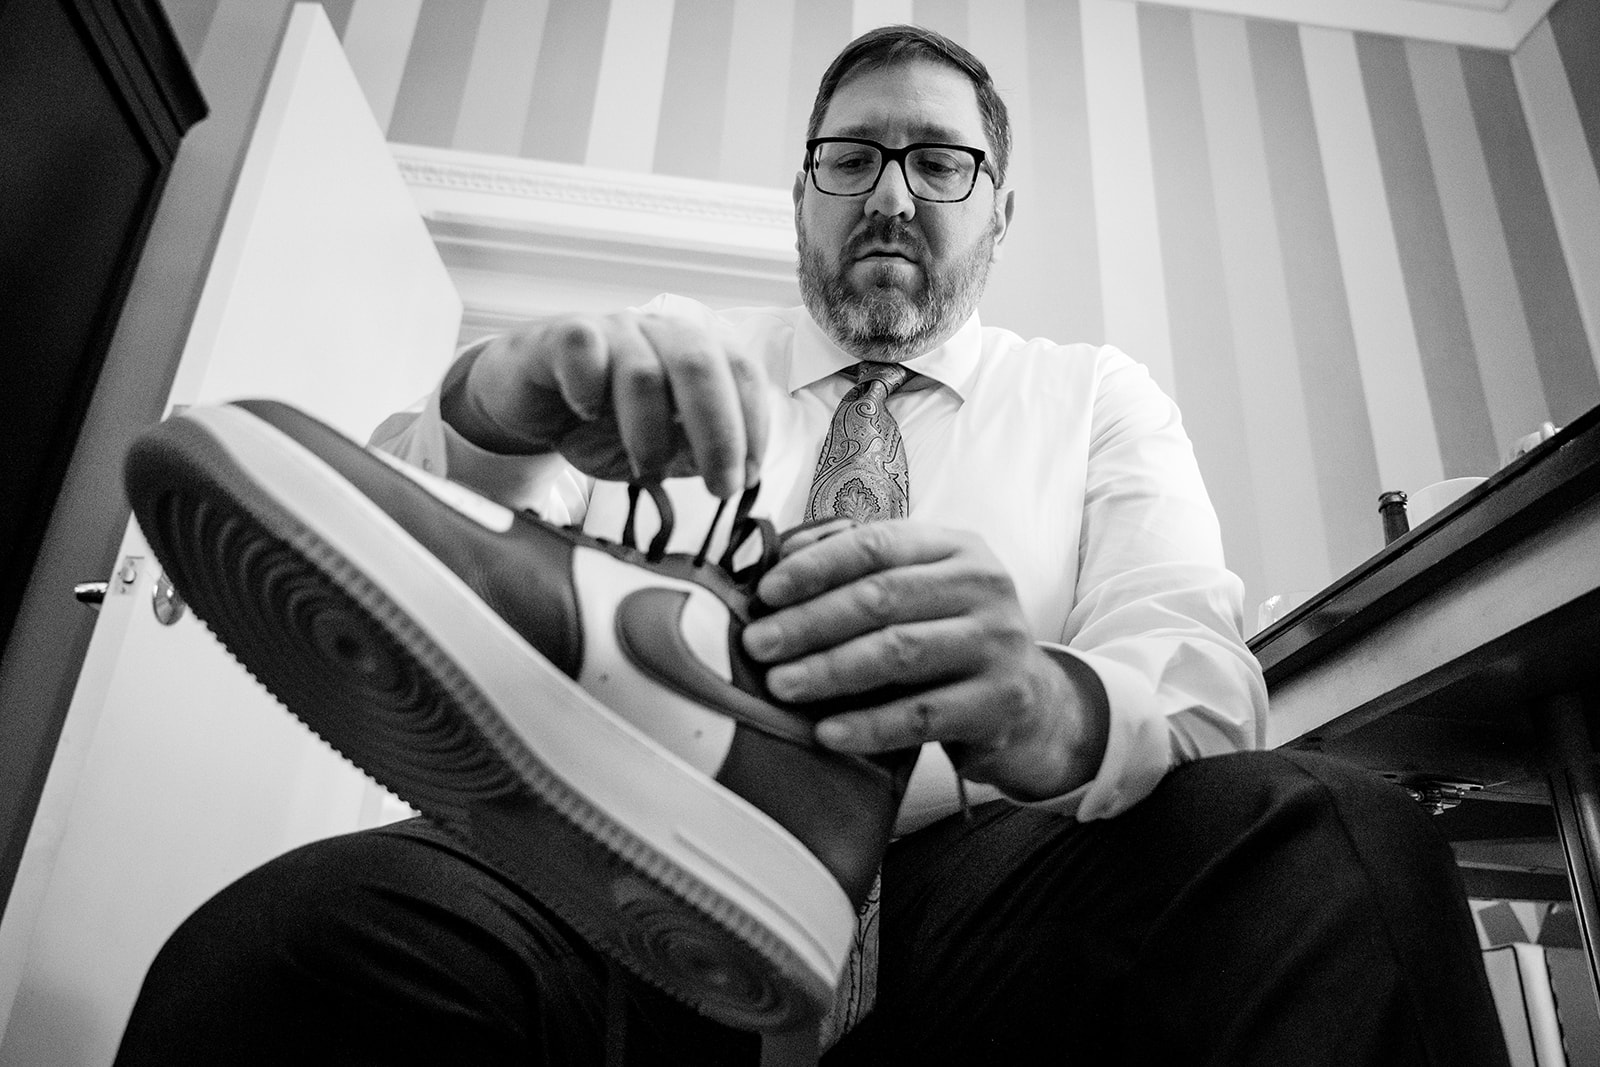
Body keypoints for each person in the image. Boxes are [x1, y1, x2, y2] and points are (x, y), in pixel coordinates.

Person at [117, 24, 1508, 1066]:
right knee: (276, 954)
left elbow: (1206, 687)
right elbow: (388, 540)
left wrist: (1037, 696)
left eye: (938, 161)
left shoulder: (1094, 399)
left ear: (997, 212)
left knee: (1341, 840)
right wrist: (489, 405)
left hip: (982, 888)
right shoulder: (663, 359)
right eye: (850, 158)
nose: (890, 192)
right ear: (800, 199)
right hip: (623, 865)